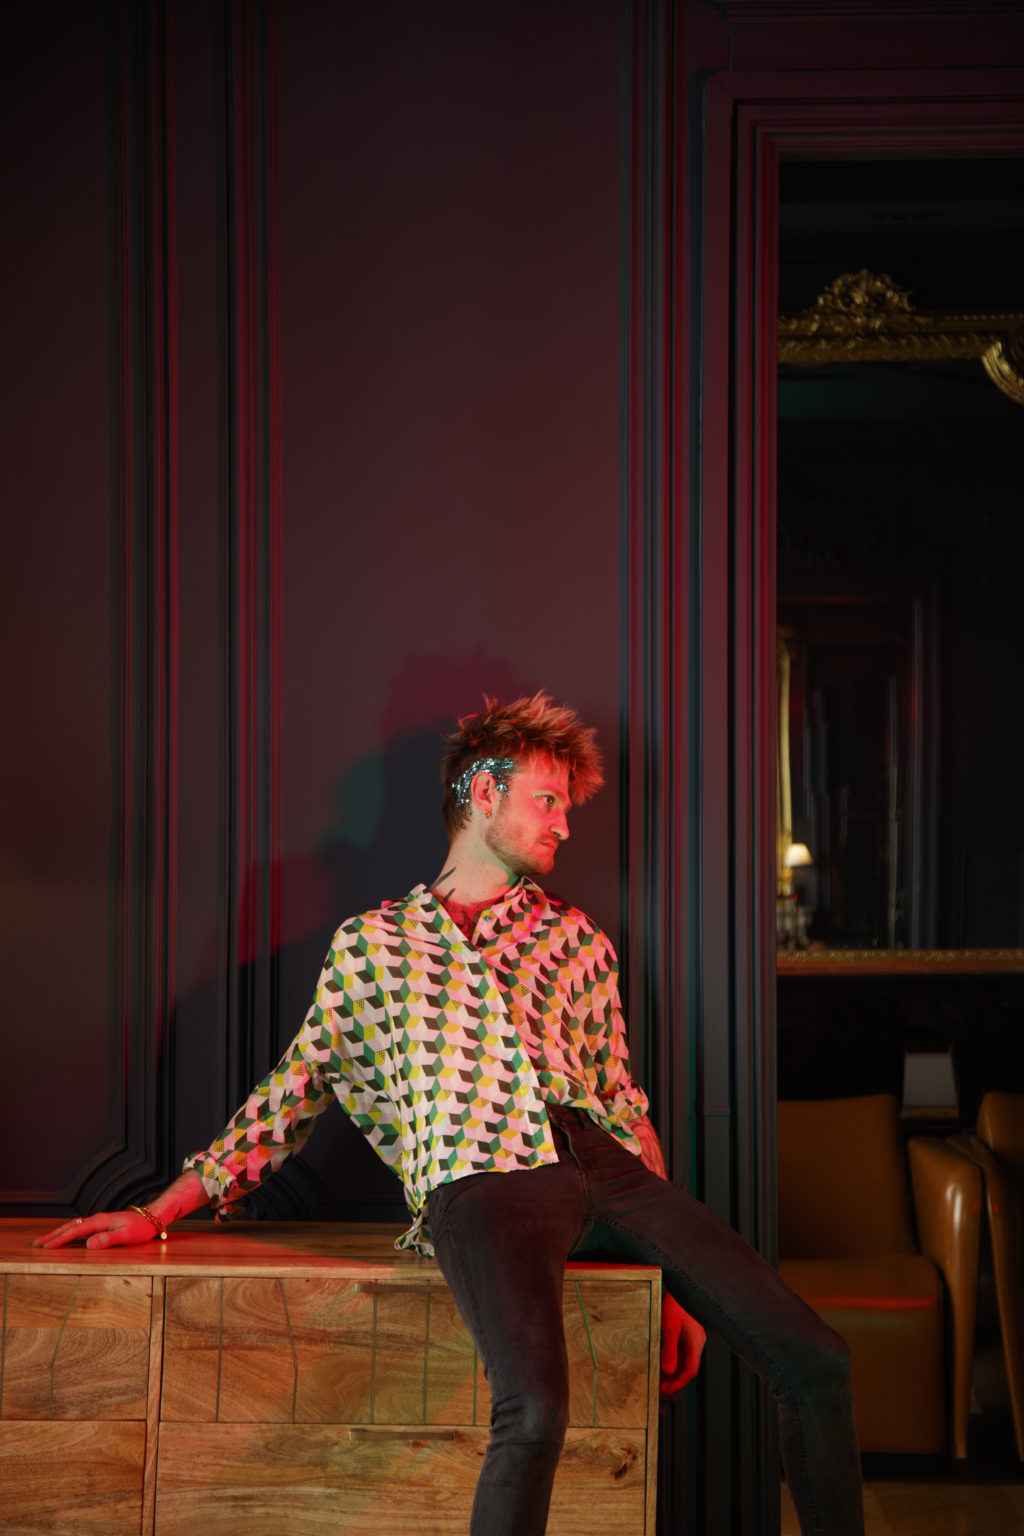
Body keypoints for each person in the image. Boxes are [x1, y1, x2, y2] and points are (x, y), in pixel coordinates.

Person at [37, 692, 864, 1536]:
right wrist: (157, 1211)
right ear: (483, 792)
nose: (564, 826)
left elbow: (621, 1102)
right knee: (533, 1411)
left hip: (605, 1168)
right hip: (483, 1176)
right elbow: (292, 1089)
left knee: (817, 1359)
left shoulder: (577, 940)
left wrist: (676, 1284)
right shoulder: (376, 945)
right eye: (549, 801)